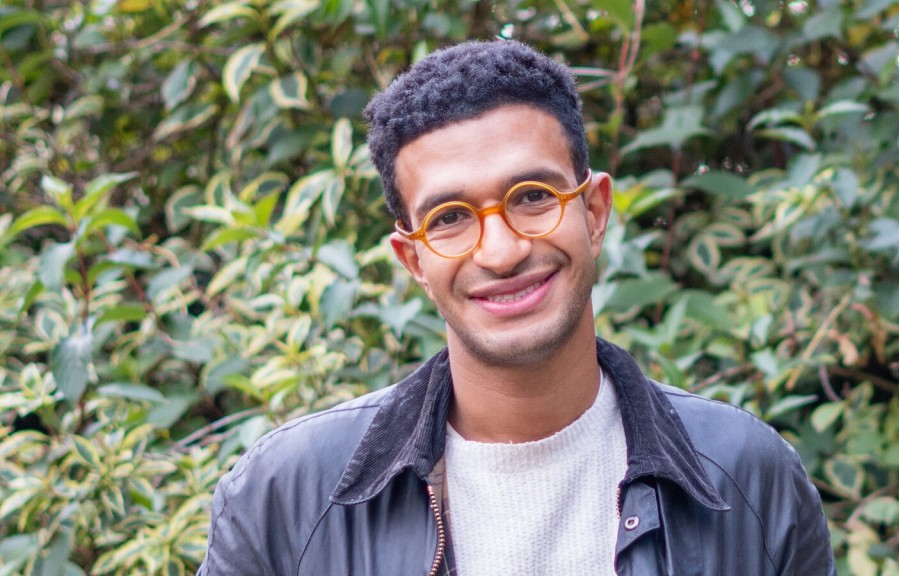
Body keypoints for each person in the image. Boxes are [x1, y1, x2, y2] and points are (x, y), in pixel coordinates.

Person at [197, 40, 835, 575]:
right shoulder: (284, 499)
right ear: (413, 258)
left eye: (532, 197)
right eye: (450, 218)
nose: (500, 252)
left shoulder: (749, 479)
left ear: (593, 212)